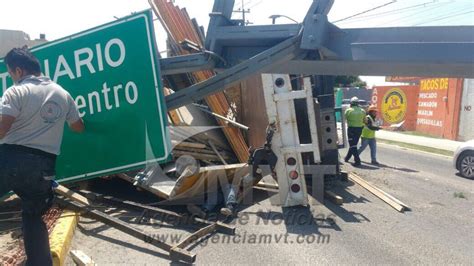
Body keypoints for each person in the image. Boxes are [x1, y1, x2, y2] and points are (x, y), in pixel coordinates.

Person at [0, 47, 84, 266]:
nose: (12, 77)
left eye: (10, 73)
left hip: (10, 160)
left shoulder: (16, 91)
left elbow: (2, 128)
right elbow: (78, 127)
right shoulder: (63, 94)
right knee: (32, 215)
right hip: (43, 167)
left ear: (18, 70)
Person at [344, 97, 366, 166]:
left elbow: (344, 119)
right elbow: (365, 120)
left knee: (352, 145)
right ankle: (347, 158)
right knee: (353, 145)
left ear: (351, 103)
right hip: (359, 129)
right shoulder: (363, 111)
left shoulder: (348, 110)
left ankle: (357, 160)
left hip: (351, 129)